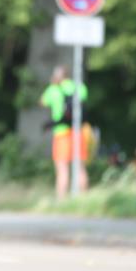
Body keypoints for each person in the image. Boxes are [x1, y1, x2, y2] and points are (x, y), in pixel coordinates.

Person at [40, 65, 89, 198]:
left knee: (62, 169)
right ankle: (84, 199)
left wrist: (52, 85)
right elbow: (84, 98)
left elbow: (43, 102)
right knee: (80, 167)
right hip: (77, 131)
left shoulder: (53, 88)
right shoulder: (78, 86)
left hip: (61, 133)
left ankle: (61, 200)